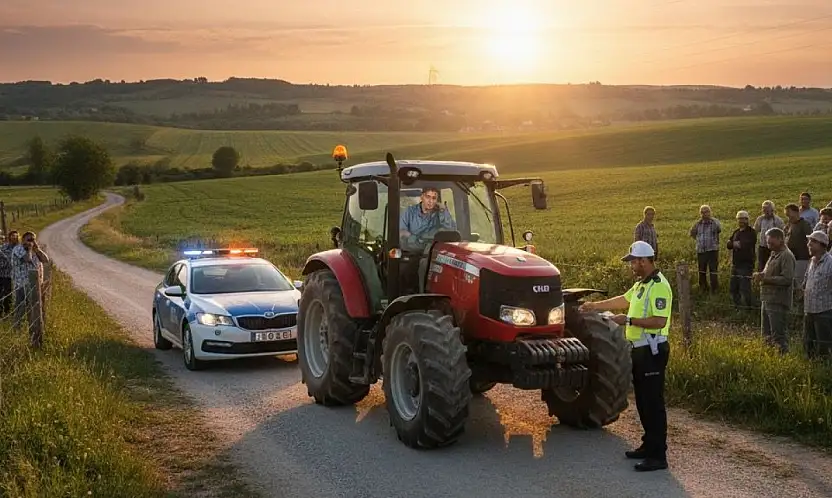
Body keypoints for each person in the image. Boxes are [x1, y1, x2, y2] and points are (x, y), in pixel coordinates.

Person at [579, 241, 671, 472]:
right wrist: (594, 306)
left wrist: (627, 320)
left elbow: (660, 321)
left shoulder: (659, 286)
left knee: (653, 403)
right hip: (639, 349)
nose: (630, 266)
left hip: (652, 350)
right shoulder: (642, 284)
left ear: (643, 261)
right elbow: (624, 300)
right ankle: (648, 445)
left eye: (632, 261)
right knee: (642, 400)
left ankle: (658, 456)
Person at [753, 228, 795, 354]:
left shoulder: (786, 256)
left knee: (778, 334)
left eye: (771, 242)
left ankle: (782, 358)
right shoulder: (773, 253)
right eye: (767, 242)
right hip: (767, 298)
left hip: (778, 300)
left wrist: (766, 279)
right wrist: (761, 274)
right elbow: (767, 272)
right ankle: (768, 357)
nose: (768, 245)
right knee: (766, 333)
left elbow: (787, 279)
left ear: (780, 239)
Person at [11, 231, 50, 345]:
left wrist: (37, 249)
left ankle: (33, 333)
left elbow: (45, 260)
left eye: (33, 239)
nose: (31, 242)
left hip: (35, 287)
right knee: (20, 309)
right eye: (28, 240)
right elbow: (27, 259)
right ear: (23, 240)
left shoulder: (35, 250)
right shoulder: (18, 249)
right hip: (22, 285)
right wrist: (28, 249)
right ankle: (16, 332)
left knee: (35, 311)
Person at [802, 230, 832, 359]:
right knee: (808, 343)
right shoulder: (812, 261)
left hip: (824, 311)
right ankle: (811, 368)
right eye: (809, 241)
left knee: (824, 345)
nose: (809, 244)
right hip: (809, 310)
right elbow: (806, 280)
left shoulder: (830, 263)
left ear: (822, 245)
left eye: (813, 242)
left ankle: (824, 370)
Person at [399, 186, 456, 252]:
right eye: (428, 197)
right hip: (412, 252)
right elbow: (401, 232)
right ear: (422, 197)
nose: (430, 201)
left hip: (433, 252)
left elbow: (451, 232)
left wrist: (443, 210)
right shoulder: (409, 212)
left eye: (434, 198)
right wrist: (416, 240)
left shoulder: (440, 213)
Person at [727, 211, 757, 310]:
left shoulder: (751, 232)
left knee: (745, 288)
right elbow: (728, 244)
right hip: (735, 264)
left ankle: (749, 308)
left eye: (743, 218)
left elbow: (744, 245)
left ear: (747, 219)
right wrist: (735, 244)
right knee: (733, 288)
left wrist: (734, 244)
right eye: (739, 219)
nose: (741, 221)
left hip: (746, 264)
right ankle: (737, 307)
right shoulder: (736, 231)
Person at [689, 205, 721, 293]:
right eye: (702, 212)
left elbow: (719, 230)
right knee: (701, 271)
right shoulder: (698, 223)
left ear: (710, 212)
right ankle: (703, 288)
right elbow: (691, 233)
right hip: (701, 251)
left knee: (713, 271)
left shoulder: (714, 222)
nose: (704, 214)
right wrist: (698, 240)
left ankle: (714, 289)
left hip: (712, 250)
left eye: (706, 212)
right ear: (700, 214)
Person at [784, 203, 813, 291]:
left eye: (789, 214)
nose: (788, 217)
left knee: (800, 282)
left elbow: (810, 240)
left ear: (797, 212)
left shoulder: (804, 225)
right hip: (792, 258)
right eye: (787, 215)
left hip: (802, 258)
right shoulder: (790, 224)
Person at [753, 200, 785, 271]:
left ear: (772, 210)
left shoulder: (778, 220)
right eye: (764, 210)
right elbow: (754, 231)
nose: (765, 212)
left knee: (773, 268)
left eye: (767, 210)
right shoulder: (760, 219)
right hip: (762, 247)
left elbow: (783, 234)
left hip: (774, 248)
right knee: (761, 267)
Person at [0, 230, 18, 317]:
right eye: (12, 236)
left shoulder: (19, 248)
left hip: (11, 275)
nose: (14, 237)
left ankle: (8, 312)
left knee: (9, 294)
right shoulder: (3, 247)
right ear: (9, 237)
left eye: (16, 236)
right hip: (2, 273)